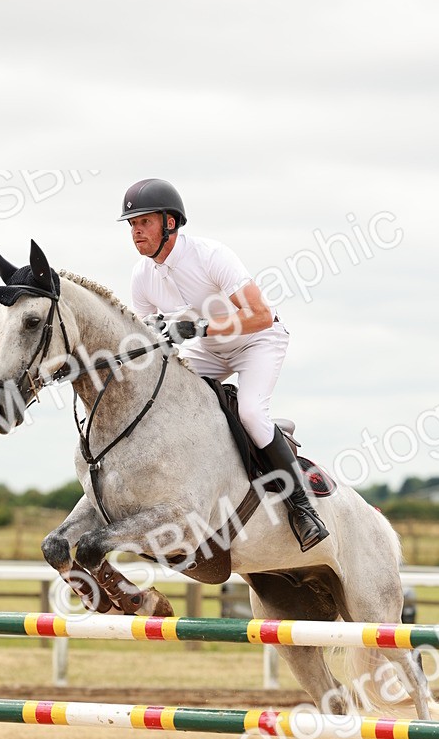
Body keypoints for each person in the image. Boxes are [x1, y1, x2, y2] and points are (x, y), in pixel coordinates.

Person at [118, 177, 329, 552]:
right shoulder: (142, 277)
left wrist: (199, 326)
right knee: (167, 406)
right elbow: (151, 340)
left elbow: (261, 315)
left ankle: (303, 508)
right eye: (132, 225)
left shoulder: (211, 256)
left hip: (258, 341)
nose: (136, 232)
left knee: (249, 411)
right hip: (210, 350)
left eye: (144, 222)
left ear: (170, 223)